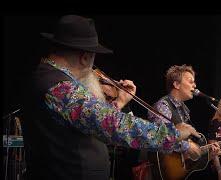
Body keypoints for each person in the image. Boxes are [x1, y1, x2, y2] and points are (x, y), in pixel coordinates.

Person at [20, 15, 200, 180]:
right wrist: (174, 134)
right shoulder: (60, 87)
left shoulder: (48, 78)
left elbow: (93, 125)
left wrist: (120, 101)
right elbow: (114, 126)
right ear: (85, 58)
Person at [147, 65, 220, 180]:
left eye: (194, 82)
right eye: (190, 81)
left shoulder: (185, 110)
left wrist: (208, 155)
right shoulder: (163, 106)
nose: (195, 85)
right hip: (162, 170)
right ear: (176, 84)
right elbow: (160, 137)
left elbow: (186, 146)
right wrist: (187, 146)